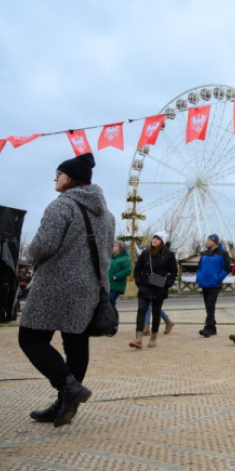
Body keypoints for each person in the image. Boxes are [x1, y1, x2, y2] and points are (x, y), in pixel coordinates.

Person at [18, 153, 114, 427]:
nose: (54, 178)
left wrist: (29, 254)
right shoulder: (107, 215)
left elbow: (43, 245)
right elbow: (106, 253)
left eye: (58, 173)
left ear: (70, 178)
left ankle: (67, 387)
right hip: (90, 288)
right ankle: (65, 402)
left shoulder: (62, 206)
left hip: (56, 286)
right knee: (76, 343)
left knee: (30, 339)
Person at [130, 231, 178, 350]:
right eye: (154, 238)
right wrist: (139, 282)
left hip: (159, 287)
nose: (154, 240)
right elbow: (137, 269)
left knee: (156, 312)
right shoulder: (146, 253)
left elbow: (173, 272)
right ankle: (138, 338)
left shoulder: (169, 255)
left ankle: (153, 337)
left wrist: (167, 283)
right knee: (141, 310)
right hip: (145, 285)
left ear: (163, 241)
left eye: (158, 238)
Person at [196, 234, 232, 338]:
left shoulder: (223, 253)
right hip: (204, 283)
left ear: (214, 241)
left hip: (214, 284)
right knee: (208, 305)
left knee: (210, 305)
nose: (206, 241)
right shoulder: (204, 253)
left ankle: (208, 328)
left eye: (209, 240)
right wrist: (199, 277)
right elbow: (199, 267)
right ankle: (212, 327)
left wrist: (217, 278)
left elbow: (226, 268)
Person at [108, 241, 132, 307]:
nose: (112, 247)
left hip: (117, 286)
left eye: (115, 246)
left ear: (120, 248)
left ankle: (113, 316)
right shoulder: (112, 258)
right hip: (109, 285)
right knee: (109, 305)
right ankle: (112, 317)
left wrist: (116, 276)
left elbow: (128, 270)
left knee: (109, 303)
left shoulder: (125, 258)